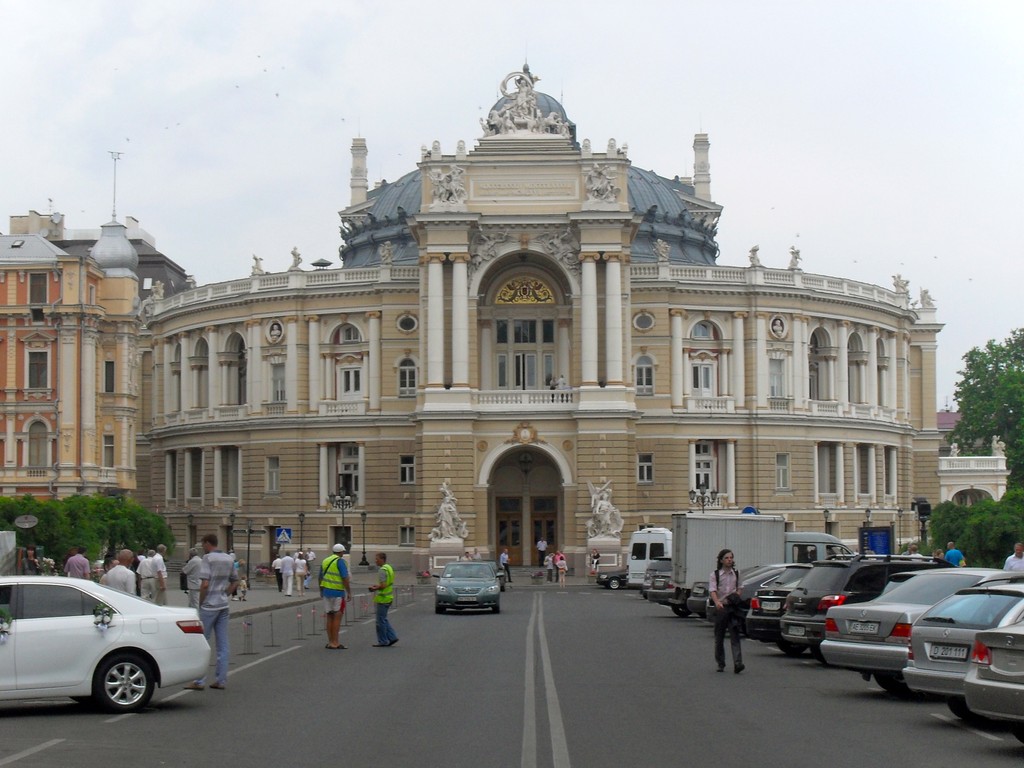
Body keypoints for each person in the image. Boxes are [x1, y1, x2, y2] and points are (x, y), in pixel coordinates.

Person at [185, 534, 238, 691]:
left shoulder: (208, 559)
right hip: (223, 604)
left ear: (208, 543)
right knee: (223, 642)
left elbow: (205, 584)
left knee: (202, 641)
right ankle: (221, 679)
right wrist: (226, 593)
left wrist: (202, 602)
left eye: (203, 544)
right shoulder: (229, 558)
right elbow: (235, 580)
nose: (203, 548)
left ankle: (199, 680)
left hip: (209, 605)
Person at [710, 548, 744, 674]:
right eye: (727, 558)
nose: (729, 560)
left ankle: (738, 663)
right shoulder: (715, 575)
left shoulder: (737, 573)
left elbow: (740, 588)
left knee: (735, 635)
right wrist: (717, 602)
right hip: (721, 608)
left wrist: (735, 597)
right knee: (719, 637)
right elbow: (713, 590)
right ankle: (721, 663)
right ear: (721, 560)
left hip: (732, 608)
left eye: (731, 557)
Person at [319, 543, 351, 650]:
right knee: (337, 617)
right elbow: (344, 577)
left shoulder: (325, 561)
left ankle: (330, 642)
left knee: (329, 617)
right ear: (341, 552)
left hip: (326, 592)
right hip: (337, 593)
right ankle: (335, 642)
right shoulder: (340, 561)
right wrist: (349, 592)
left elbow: (320, 577)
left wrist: (321, 591)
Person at [369, 552, 399, 648]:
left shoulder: (382, 570)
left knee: (380, 621)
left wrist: (374, 588)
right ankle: (392, 637)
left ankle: (383, 640)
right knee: (383, 619)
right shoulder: (389, 568)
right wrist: (378, 586)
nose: (375, 561)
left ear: (382, 559)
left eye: (377, 559)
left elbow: (383, 585)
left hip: (383, 598)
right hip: (388, 597)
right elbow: (387, 583)